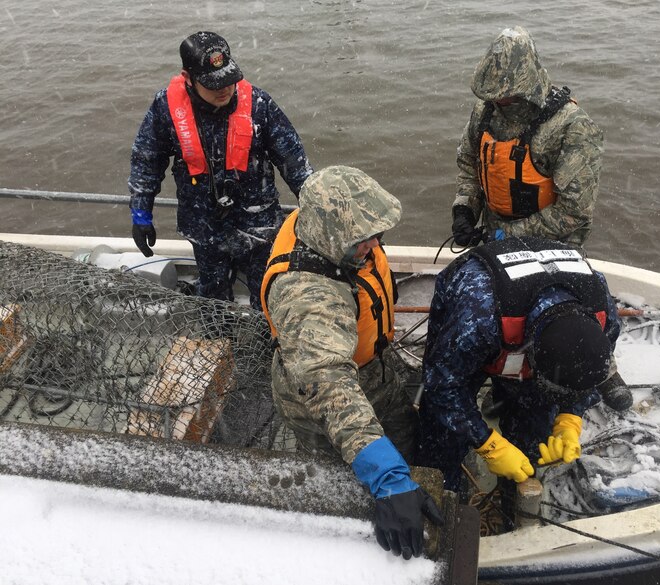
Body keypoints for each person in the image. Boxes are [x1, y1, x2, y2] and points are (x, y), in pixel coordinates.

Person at [260, 165, 444, 559]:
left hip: (375, 371)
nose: (374, 244)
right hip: (322, 397)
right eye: (363, 239)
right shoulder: (308, 297)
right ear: (330, 235)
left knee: (404, 433)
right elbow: (328, 386)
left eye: (376, 234)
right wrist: (388, 479)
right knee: (346, 481)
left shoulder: (320, 225)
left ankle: (401, 465)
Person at [416, 235, 631, 497]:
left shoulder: (602, 312)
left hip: (529, 330)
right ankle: (445, 491)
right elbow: (442, 385)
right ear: (532, 358)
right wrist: (487, 444)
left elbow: (589, 375)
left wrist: (570, 418)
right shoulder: (478, 318)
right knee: (441, 431)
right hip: (481, 307)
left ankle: (512, 498)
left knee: (534, 431)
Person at [129, 31, 313, 309]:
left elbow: (295, 163)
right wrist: (141, 212)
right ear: (188, 77)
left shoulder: (259, 105)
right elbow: (146, 161)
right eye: (213, 84)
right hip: (204, 227)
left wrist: (316, 208)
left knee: (269, 296)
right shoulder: (165, 108)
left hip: (259, 226)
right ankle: (219, 333)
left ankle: (263, 334)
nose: (224, 89)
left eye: (228, 79)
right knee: (213, 300)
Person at [451, 26, 603, 250]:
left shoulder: (573, 127)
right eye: (492, 96)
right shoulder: (485, 112)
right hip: (494, 239)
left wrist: (504, 235)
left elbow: (573, 212)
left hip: (553, 245)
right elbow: (469, 165)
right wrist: (464, 209)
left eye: (504, 96)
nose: (497, 102)